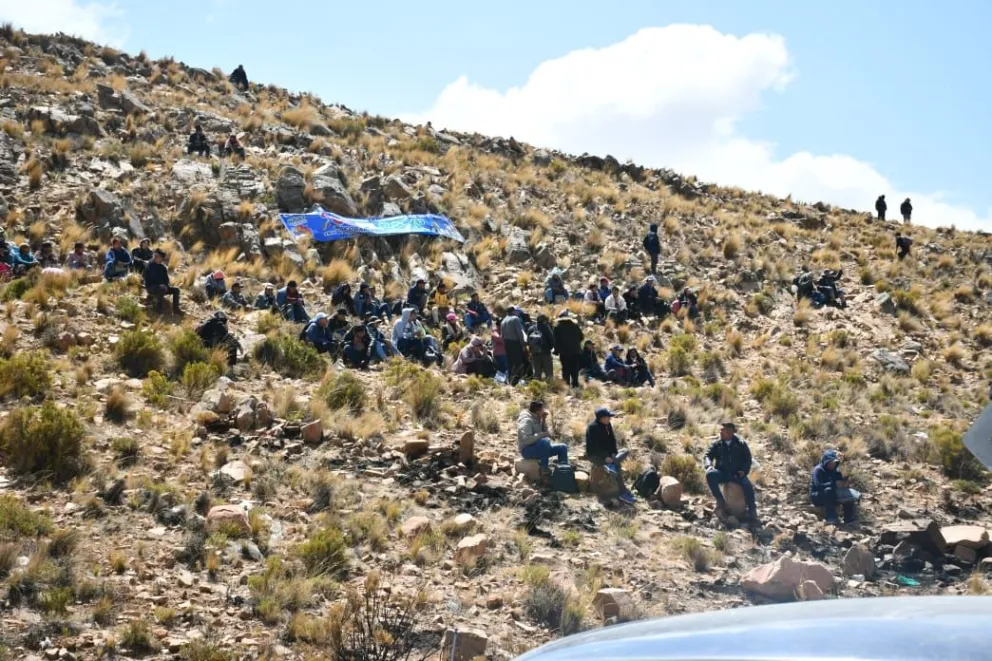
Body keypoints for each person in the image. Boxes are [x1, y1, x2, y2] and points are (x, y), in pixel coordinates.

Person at [704, 422, 757, 523]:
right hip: (722, 472)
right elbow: (708, 456)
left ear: (730, 432)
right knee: (710, 475)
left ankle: (752, 510)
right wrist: (709, 466)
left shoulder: (741, 443)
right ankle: (720, 501)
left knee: (747, 485)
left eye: (722, 430)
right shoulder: (717, 444)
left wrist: (743, 471)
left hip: (736, 474)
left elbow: (747, 460)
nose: (720, 432)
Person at [586, 407, 634, 504]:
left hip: (608, 455)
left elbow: (612, 441)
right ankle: (622, 492)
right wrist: (605, 457)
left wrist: (613, 454)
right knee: (617, 466)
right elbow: (595, 447)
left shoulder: (607, 425)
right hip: (596, 456)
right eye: (608, 417)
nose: (610, 419)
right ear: (602, 418)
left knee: (625, 451)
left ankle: (612, 464)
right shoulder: (592, 428)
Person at [517, 400, 568, 474]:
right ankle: (544, 468)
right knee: (545, 441)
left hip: (540, 447)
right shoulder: (526, 420)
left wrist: (543, 420)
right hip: (527, 450)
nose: (544, 411)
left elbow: (544, 431)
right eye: (542, 409)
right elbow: (527, 440)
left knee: (563, 447)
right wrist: (542, 435)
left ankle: (563, 472)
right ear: (537, 411)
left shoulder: (537, 417)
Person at [809, 449, 858, 525]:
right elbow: (818, 485)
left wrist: (845, 484)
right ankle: (831, 517)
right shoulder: (818, 470)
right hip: (817, 495)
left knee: (848, 493)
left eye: (834, 463)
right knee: (828, 490)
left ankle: (849, 518)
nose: (833, 465)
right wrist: (834, 484)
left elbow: (839, 482)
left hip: (833, 494)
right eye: (831, 463)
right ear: (826, 461)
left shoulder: (836, 471)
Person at [554, 310, 584, 388]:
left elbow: (556, 341)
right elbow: (581, 337)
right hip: (576, 352)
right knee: (575, 369)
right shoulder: (575, 325)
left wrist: (556, 351)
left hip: (564, 353)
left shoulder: (558, 327)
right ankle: (575, 385)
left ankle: (567, 386)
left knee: (565, 369)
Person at [500, 307, 528, 385]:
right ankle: (517, 381)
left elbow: (502, 335)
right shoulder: (515, 319)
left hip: (506, 343)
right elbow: (520, 333)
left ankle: (510, 380)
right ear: (513, 311)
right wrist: (523, 344)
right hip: (515, 343)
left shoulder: (503, 321)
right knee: (518, 362)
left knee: (510, 362)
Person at [526, 313, 555, 382]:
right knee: (549, 373)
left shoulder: (530, 328)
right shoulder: (546, 328)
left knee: (537, 373)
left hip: (535, 353)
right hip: (545, 353)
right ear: (544, 321)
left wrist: (531, 350)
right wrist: (549, 348)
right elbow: (552, 340)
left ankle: (537, 388)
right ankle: (550, 389)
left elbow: (528, 341)